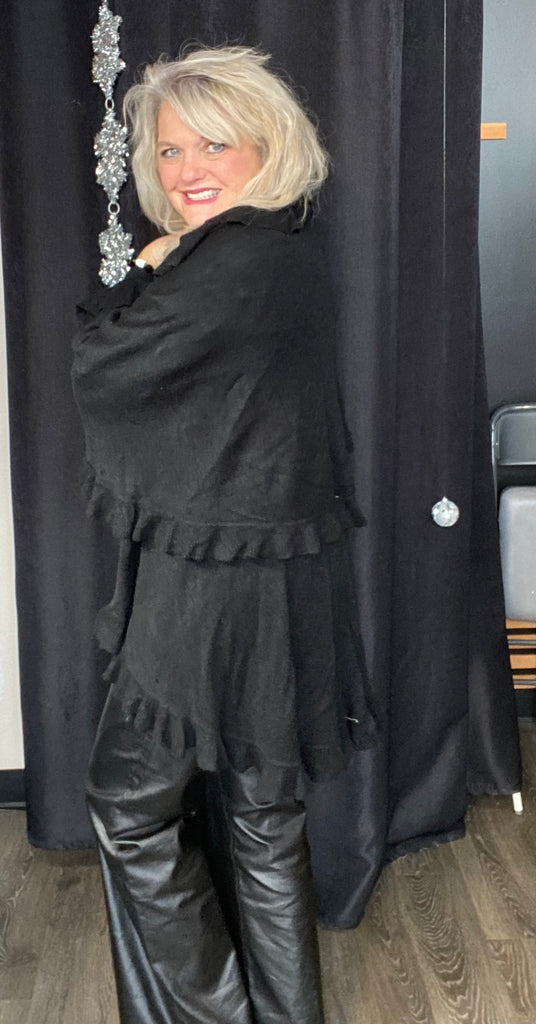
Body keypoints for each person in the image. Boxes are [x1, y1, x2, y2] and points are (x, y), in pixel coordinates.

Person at [72, 44, 375, 1024]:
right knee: (259, 818)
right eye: (168, 150)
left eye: (213, 144)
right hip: (282, 576)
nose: (186, 169)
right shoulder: (288, 250)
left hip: (213, 580)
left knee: (128, 805)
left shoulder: (230, 261)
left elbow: (103, 368)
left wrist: (143, 266)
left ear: (265, 147)